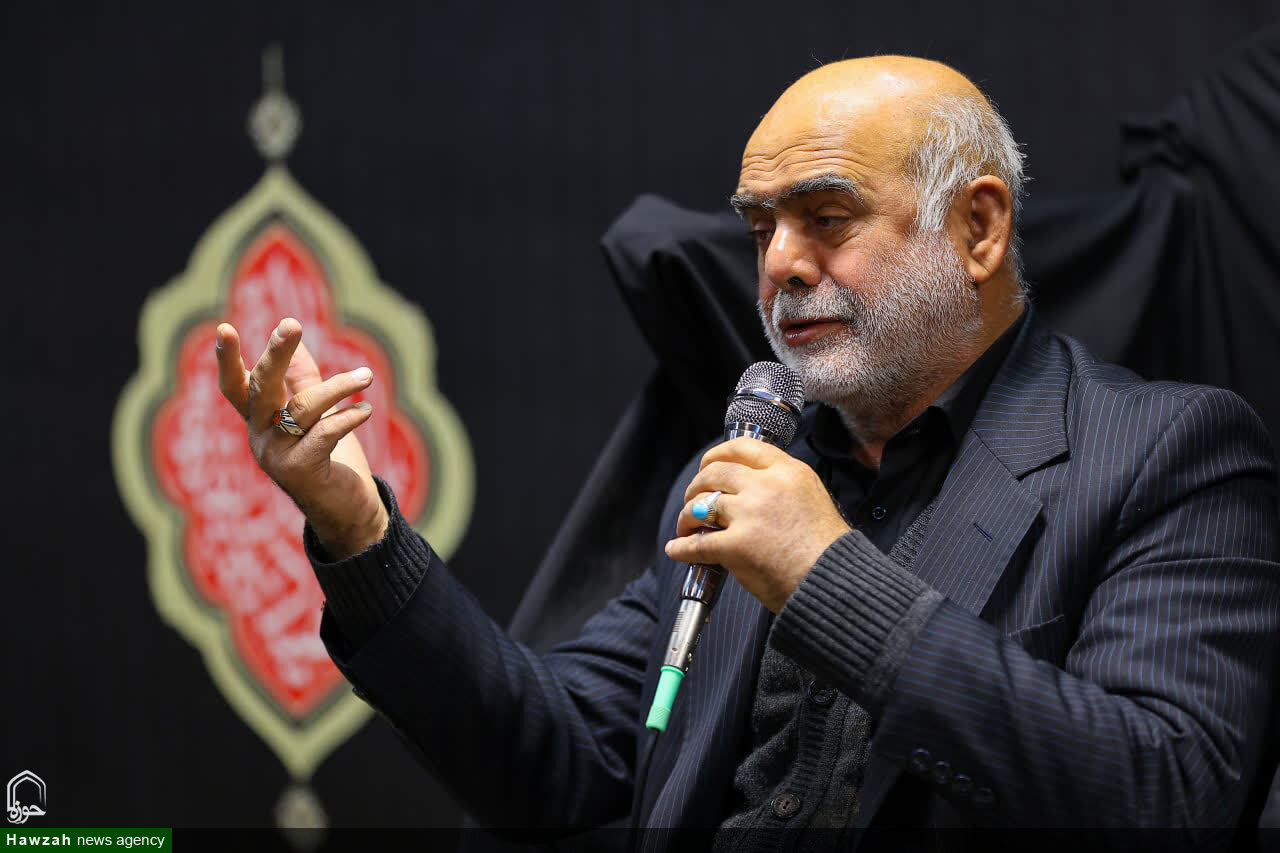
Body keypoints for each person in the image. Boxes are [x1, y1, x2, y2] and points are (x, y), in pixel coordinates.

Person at [215, 56, 1280, 847]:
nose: (778, 264)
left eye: (826, 218)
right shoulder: (744, 470)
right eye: (760, 226)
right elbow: (548, 762)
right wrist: (358, 528)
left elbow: (1167, 797)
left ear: (978, 230)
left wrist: (825, 575)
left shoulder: (1167, 454)